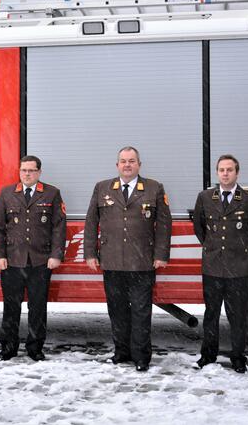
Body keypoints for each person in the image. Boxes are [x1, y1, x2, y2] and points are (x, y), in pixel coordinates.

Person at [84, 146, 172, 372]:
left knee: (141, 311)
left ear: (139, 165)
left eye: (132, 161)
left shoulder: (153, 188)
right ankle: (121, 352)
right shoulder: (103, 188)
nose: (127, 165)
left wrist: (161, 255)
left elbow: (164, 224)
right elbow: (91, 222)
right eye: (123, 161)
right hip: (112, 262)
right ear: (117, 165)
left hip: (142, 262)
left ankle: (141, 356)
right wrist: (90, 253)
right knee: (117, 310)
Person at [193, 155, 248, 373]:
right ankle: (208, 355)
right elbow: (199, 226)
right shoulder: (205, 197)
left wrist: (242, 249)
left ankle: (238, 357)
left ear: (237, 173)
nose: (225, 174)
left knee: (237, 317)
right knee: (211, 314)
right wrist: (211, 246)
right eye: (222, 170)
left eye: (230, 170)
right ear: (217, 173)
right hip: (213, 266)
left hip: (239, 267)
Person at [0, 155, 66, 362]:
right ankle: (8, 347)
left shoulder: (51, 193)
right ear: (19, 171)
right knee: (11, 307)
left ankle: (35, 348)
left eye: (31, 170)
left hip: (40, 261)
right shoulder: (7, 193)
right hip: (12, 261)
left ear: (39, 172)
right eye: (24, 170)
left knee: (38, 307)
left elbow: (59, 228)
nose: (27, 174)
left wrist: (56, 255)